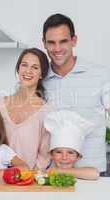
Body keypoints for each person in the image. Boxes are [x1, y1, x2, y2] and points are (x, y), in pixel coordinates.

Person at [42, 13, 110, 172]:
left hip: (93, 174)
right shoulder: (40, 80)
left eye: (63, 41)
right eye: (51, 42)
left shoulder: (100, 75)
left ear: (74, 40)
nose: (57, 48)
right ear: (44, 43)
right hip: (52, 174)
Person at [0, 48, 52, 170]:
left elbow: (44, 156)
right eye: (24, 65)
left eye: (35, 67)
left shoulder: (46, 112)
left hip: (27, 180)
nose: (28, 71)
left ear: (41, 74)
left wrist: (29, 178)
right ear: (18, 68)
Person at [44, 110, 99, 180]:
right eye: (59, 152)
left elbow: (95, 174)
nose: (64, 157)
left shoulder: (82, 173)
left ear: (78, 156)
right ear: (50, 155)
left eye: (70, 152)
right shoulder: (45, 172)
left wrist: (60, 171)